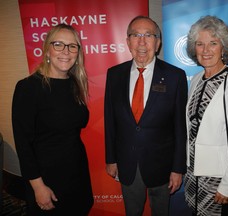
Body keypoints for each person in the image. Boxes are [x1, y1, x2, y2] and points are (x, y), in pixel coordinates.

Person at [104, 15, 188, 216]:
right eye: (136, 35)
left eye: (148, 35)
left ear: (157, 43)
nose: (142, 41)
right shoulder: (114, 74)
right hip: (127, 161)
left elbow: (179, 127)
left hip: (162, 164)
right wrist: (111, 159)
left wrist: (177, 168)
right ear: (128, 41)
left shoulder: (175, 76)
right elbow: (110, 120)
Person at [12, 24, 93, 216]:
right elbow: (23, 145)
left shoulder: (74, 83)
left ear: (78, 52)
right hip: (47, 179)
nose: (66, 51)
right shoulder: (28, 88)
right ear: (47, 49)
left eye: (72, 46)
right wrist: (38, 187)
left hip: (77, 173)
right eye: (59, 44)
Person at [184, 15, 228, 216]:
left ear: (223, 47)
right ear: (194, 48)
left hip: (218, 177)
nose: (206, 50)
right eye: (200, 44)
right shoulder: (197, 79)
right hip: (193, 172)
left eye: (213, 43)